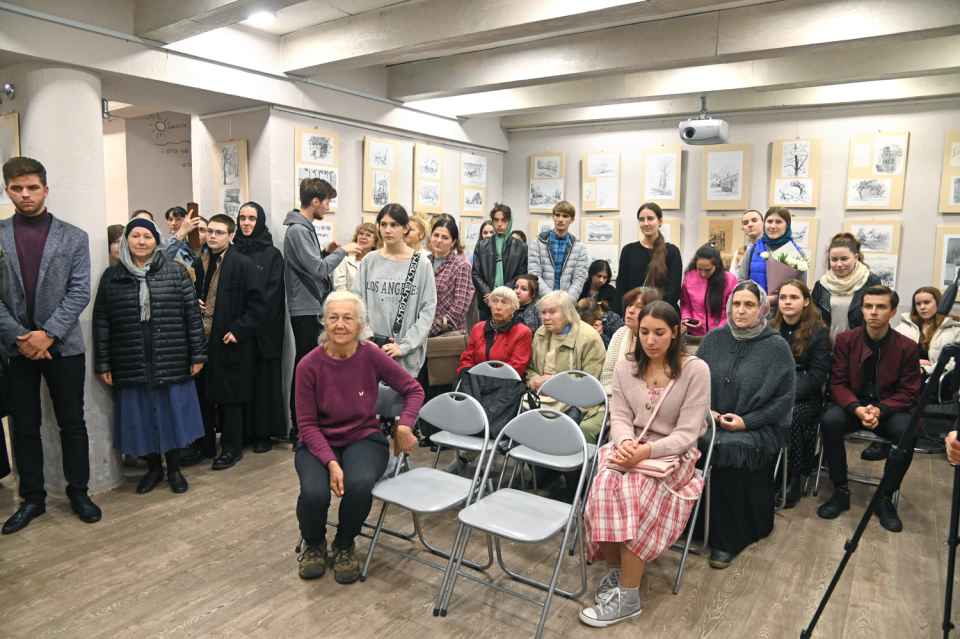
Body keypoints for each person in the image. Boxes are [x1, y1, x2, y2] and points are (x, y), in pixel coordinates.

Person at [579, 301, 710, 627]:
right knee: (604, 485)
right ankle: (617, 572)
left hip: (672, 454)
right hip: (630, 446)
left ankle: (629, 597)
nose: (650, 340)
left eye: (659, 333)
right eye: (644, 332)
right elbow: (620, 416)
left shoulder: (695, 370)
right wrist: (625, 444)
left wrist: (646, 451)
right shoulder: (626, 367)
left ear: (675, 332)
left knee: (636, 493)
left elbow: (687, 434)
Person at [0, 156, 101, 534]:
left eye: (32, 188)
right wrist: (20, 336)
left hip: (64, 346)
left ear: (46, 189)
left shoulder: (73, 236)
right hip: (15, 348)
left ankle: (79, 491)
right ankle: (32, 498)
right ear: (7, 191)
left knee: (72, 422)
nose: (25, 195)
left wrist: (48, 334)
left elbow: (79, 291)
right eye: (17, 188)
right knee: (24, 425)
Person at [294, 291, 424, 584]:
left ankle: (344, 544)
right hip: (318, 440)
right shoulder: (308, 365)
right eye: (333, 317)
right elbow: (307, 425)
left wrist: (404, 426)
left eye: (347, 318)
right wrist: (331, 463)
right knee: (314, 493)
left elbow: (413, 390)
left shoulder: (371, 355)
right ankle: (314, 543)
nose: (340, 324)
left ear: (361, 324)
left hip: (363, 437)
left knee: (360, 483)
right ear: (324, 322)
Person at [93, 218, 206, 494]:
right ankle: (153, 468)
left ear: (156, 241)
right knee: (141, 417)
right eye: (135, 236)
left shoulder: (175, 272)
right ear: (126, 241)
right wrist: (103, 362)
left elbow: (191, 316)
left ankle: (174, 469)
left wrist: (197, 355)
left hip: (170, 355)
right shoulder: (112, 277)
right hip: (131, 357)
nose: (141, 241)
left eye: (147, 236)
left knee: (172, 414)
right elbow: (102, 322)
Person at [695, 281, 795, 568]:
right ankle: (692, 526)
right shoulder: (713, 339)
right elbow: (693, 382)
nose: (741, 310)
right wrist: (707, 411)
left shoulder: (776, 347)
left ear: (762, 309)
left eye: (749, 305)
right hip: (711, 420)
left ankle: (727, 539)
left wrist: (747, 422)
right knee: (691, 442)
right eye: (736, 304)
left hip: (757, 428)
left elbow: (783, 400)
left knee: (730, 450)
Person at [817, 286, 922, 532]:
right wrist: (857, 408)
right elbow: (838, 383)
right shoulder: (846, 340)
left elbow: (909, 391)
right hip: (853, 405)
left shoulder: (907, 346)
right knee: (830, 421)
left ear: (893, 311)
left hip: (888, 408)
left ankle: (884, 497)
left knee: (909, 431)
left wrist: (880, 410)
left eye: (881, 307)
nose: (873, 312)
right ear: (862, 310)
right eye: (868, 306)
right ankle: (840, 490)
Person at [284, 178, 359, 441]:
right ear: (315, 201)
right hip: (305, 308)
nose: (328, 207)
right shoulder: (298, 230)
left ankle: (306, 425)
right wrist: (343, 252)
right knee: (305, 368)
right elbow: (318, 269)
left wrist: (327, 252)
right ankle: (300, 427)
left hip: (310, 305)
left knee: (310, 367)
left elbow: (311, 264)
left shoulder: (303, 228)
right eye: (327, 202)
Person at [193, 214, 266, 470]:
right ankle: (204, 446)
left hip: (228, 339)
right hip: (202, 337)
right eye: (210, 231)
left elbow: (259, 305)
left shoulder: (242, 263)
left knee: (230, 398)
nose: (212, 236)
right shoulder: (200, 260)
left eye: (219, 232)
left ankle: (232, 449)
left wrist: (239, 330)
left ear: (231, 235)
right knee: (203, 395)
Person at [354, 203, 437, 376]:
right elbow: (356, 303)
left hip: (406, 355)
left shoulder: (421, 263)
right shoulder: (369, 261)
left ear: (405, 228)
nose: (388, 230)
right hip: (371, 350)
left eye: (394, 225)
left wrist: (404, 346)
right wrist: (367, 337)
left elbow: (428, 310)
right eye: (383, 224)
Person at [770, 279, 832, 507]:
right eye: (783, 297)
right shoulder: (770, 328)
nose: (787, 302)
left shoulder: (818, 332)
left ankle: (793, 478)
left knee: (792, 417)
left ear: (806, 301)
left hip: (805, 397)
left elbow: (817, 376)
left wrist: (785, 395)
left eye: (794, 297)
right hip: (773, 391)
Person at [235, 201, 287, 452]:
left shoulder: (272, 254)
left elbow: (272, 294)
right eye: (242, 218)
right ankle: (243, 432)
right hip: (238, 329)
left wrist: (252, 320)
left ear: (260, 221)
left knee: (264, 382)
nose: (246, 223)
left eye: (251, 218)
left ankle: (263, 433)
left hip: (264, 330)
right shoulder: (233, 250)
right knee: (241, 381)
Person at [527, 291, 606, 443]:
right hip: (541, 397)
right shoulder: (540, 333)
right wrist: (534, 380)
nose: (546, 317)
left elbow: (590, 383)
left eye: (552, 312)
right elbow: (530, 369)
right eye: (543, 312)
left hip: (575, 402)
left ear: (567, 312)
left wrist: (554, 385)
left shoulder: (589, 338)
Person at [811, 233, 883, 341]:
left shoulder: (871, 282)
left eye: (844, 259)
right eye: (834, 259)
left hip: (860, 345)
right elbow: (813, 319)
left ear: (856, 257)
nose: (839, 264)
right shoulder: (822, 285)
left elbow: (878, 317)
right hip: (827, 346)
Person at [616, 202, 682, 310]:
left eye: (650, 219)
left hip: (661, 313)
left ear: (660, 221)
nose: (646, 223)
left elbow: (673, 291)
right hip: (633, 311)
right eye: (642, 219)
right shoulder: (628, 250)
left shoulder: (672, 251)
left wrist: (654, 313)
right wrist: (628, 310)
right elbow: (621, 287)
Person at [457, 286, 533, 378]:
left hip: (505, 381)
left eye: (504, 302)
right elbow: (467, 359)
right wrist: (469, 375)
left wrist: (487, 378)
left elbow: (517, 367)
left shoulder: (522, 332)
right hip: (475, 379)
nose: (498, 307)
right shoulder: (478, 328)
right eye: (495, 301)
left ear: (514, 308)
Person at [601, 287, 661, 396]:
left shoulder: (657, 342)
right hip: (614, 397)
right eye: (629, 305)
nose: (631, 310)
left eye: (639, 307)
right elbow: (607, 375)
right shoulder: (620, 334)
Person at [472, 203, 528, 320]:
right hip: (486, 301)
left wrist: (501, 293)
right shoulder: (481, 245)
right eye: (496, 220)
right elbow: (476, 273)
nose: (499, 224)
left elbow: (521, 274)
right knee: (486, 329)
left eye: (503, 220)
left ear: (509, 221)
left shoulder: (520, 247)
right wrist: (487, 293)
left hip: (509, 299)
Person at [738, 207, 807, 299]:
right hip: (756, 305)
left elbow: (802, 290)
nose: (773, 226)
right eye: (769, 221)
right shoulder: (753, 250)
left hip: (784, 306)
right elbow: (741, 282)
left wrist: (775, 299)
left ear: (787, 225)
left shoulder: (797, 253)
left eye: (778, 222)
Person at [528, 200, 590, 300]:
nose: (560, 219)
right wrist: (550, 298)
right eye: (557, 215)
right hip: (543, 300)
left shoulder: (579, 247)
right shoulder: (538, 243)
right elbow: (534, 274)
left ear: (572, 220)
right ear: (553, 217)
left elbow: (579, 278)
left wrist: (566, 300)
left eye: (565, 216)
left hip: (566, 302)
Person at [428, 214, 474, 337]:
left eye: (445, 237)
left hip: (446, 334)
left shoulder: (461, 265)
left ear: (453, 242)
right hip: (421, 330)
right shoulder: (424, 262)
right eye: (436, 235)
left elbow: (460, 307)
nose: (439, 240)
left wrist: (430, 329)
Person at [679, 244, 738, 337]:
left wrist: (719, 330)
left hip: (721, 333)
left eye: (707, 270)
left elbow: (732, 310)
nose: (703, 274)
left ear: (716, 266)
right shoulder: (689, 277)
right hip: (695, 334)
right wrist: (687, 318)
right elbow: (685, 304)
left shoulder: (730, 280)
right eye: (699, 269)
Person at [333, 222, 379, 292]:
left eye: (368, 235)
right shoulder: (344, 260)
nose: (363, 237)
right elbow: (339, 288)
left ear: (375, 243)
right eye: (361, 234)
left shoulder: (379, 263)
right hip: (348, 298)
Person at [731, 209, 764, 275]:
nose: (750, 224)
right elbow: (734, 276)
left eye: (754, 220)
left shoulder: (772, 247)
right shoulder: (739, 253)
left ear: (763, 223)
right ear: (743, 228)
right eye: (745, 223)